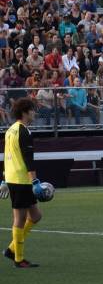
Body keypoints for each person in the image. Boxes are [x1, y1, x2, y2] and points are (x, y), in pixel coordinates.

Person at [3, 98, 43, 268]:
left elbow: (7, 156)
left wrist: (4, 178)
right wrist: (34, 180)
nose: (34, 113)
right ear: (25, 112)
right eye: (32, 110)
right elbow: (28, 159)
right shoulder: (24, 132)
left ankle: (12, 249)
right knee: (19, 219)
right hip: (21, 180)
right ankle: (18, 259)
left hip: (13, 178)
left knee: (35, 216)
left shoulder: (10, 130)